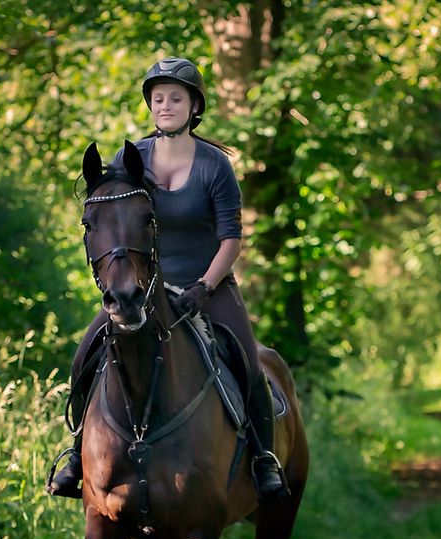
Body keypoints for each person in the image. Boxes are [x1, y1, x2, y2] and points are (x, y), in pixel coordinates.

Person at [48, 56, 287, 499]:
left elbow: (231, 240)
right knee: (84, 356)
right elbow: (114, 218)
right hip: (143, 289)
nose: (165, 105)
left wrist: (204, 287)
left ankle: (262, 457)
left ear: (194, 106)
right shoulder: (131, 156)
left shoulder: (215, 165)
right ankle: (77, 452)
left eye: (175, 98)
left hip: (207, 285)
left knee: (249, 364)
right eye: (158, 98)